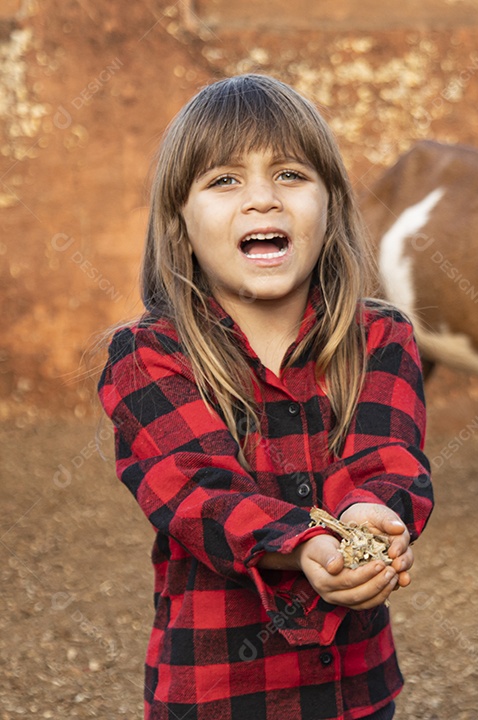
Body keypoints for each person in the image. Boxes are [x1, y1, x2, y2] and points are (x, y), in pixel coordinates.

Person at [97, 74, 433, 720]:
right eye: (225, 180)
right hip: (218, 695)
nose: (262, 200)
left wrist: (372, 521)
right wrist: (308, 543)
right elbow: (200, 492)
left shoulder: (380, 337)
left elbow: (387, 458)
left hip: (356, 695)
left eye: (290, 175)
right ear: (179, 222)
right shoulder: (147, 357)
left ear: (331, 206)